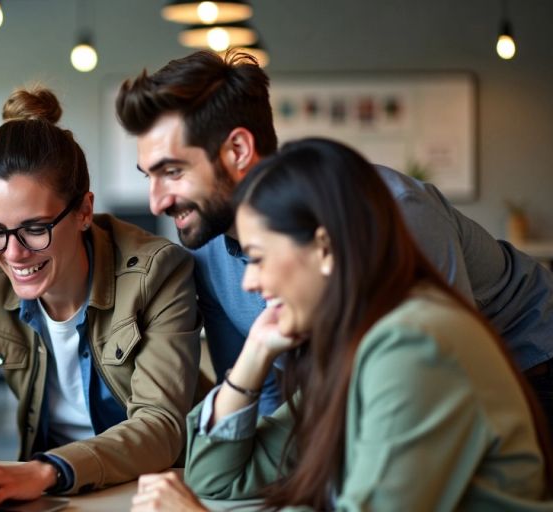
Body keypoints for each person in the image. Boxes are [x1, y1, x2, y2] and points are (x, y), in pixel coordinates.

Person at [116, 50, 553, 421]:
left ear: (237, 151)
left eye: (172, 172)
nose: (156, 202)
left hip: (527, 365)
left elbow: (446, 379)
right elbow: (262, 398)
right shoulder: (205, 247)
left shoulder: (390, 211)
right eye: (149, 177)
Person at [131, 138, 552, 510]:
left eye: (259, 257)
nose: (248, 281)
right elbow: (218, 481)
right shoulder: (351, 350)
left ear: (325, 248)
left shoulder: (415, 344)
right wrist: (256, 353)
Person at [0, 86, 202, 506]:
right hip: (49, 494)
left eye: (35, 228)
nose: (13, 253)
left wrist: (48, 470)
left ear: (83, 212)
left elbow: (161, 425)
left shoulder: (158, 272)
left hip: (151, 491)